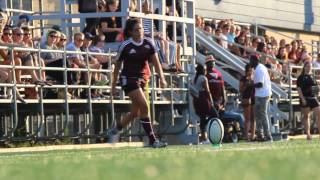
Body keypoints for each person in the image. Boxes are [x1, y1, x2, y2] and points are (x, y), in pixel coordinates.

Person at [109, 18, 168, 148]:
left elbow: (156, 62)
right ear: (130, 32)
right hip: (128, 79)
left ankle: (115, 130)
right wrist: (113, 86)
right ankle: (153, 141)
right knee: (144, 106)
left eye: (141, 28)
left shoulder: (149, 43)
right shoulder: (125, 46)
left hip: (143, 79)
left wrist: (162, 78)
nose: (140, 31)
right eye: (136, 30)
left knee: (135, 113)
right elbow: (117, 67)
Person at [192, 64, 218, 144]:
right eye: (205, 69)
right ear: (202, 70)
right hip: (203, 99)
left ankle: (204, 138)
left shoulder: (194, 78)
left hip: (196, 100)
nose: (206, 70)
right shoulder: (203, 78)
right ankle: (207, 129)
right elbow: (207, 91)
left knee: (202, 118)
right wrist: (212, 102)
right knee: (215, 114)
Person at [250, 55, 273, 142]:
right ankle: (260, 135)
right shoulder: (261, 67)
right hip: (262, 94)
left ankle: (267, 135)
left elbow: (260, 84)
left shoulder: (259, 69)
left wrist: (250, 85)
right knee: (259, 115)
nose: (250, 62)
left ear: (255, 60)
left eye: (251, 60)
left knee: (262, 115)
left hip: (262, 94)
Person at [297, 61, 320, 140]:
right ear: (304, 67)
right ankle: (308, 134)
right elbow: (299, 89)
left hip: (313, 98)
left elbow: (316, 89)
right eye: (307, 66)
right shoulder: (300, 77)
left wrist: (317, 97)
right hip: (305, 98)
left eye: (310, 66)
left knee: (319, 114)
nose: (309, 67)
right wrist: (302, 98)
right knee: (306, 116)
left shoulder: (313, 76)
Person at [239, 64, 255, 141]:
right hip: (246, 98)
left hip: (253, 98)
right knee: (247, 118)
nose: (250, 72)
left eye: (251, 70)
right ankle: (246, 136)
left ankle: (252, 136)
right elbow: (240, 90)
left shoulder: (254, 78)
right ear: (246, 71)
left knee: (253, 119)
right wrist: (246, 84)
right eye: (249, 70)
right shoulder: (243, 79)